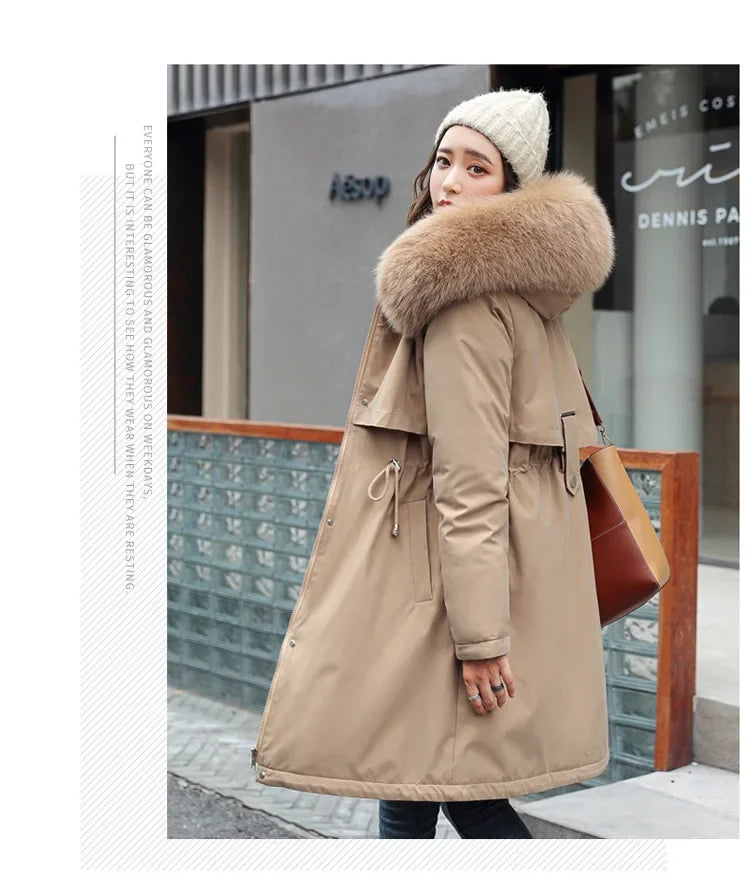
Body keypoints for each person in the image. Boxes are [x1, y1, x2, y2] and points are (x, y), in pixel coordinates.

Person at [252, 88, 615, 839]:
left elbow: (471, 484)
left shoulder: (463, 303)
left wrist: (481, 642)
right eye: (444, 160)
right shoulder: (528, 296)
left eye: (478, 168)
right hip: (465, 582)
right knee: (413, 783)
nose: (449, 182)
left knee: (455, 794)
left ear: (512, 190)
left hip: (443, 594)